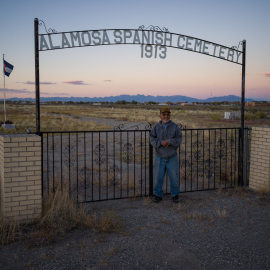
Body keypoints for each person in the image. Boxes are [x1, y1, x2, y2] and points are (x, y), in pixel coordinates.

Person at [149, 107, 182, 203]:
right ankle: (158, 195)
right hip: (159, 156)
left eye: (168, 114)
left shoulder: (175, 127)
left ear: (170, 115)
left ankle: (175, 194)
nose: (166, 116)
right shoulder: (156, 127)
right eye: (164, 114)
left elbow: (179, 138)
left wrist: (169, 142)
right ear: (160, 116)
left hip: (172, 156)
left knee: (174, 177)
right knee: (158, 177)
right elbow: (152, 139)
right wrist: (161, 142)